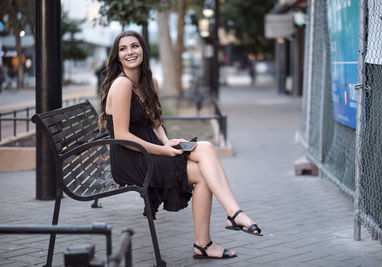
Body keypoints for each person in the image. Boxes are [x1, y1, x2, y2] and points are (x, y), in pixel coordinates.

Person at [98, 30, 262, 260]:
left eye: (134, 46)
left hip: (152, 149)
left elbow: (155, 124)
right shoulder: (121, 85)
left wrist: (167, 141)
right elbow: (123, 136)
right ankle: (213, 233)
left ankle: (230, 216)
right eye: (123, 49)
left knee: (206, 148)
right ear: (117, 57)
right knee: (203, 173)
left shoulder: (150, 83)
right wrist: (163, 150)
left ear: (143, 49)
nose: (130, 52)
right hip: (131, 158)